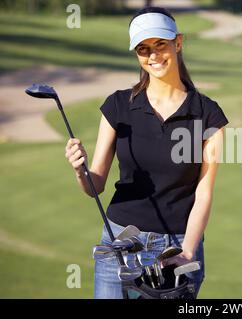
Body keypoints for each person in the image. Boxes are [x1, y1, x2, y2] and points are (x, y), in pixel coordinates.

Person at [64, 6, 229, 298]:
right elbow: (95, 185)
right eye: (143, 49)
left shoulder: (208, 115)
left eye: (160, 44)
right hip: (120, 243)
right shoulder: (117, 106)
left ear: (178, 43)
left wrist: (188, 251)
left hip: (176, 248)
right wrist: (81, 170)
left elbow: (204, 193)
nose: (153, 56)